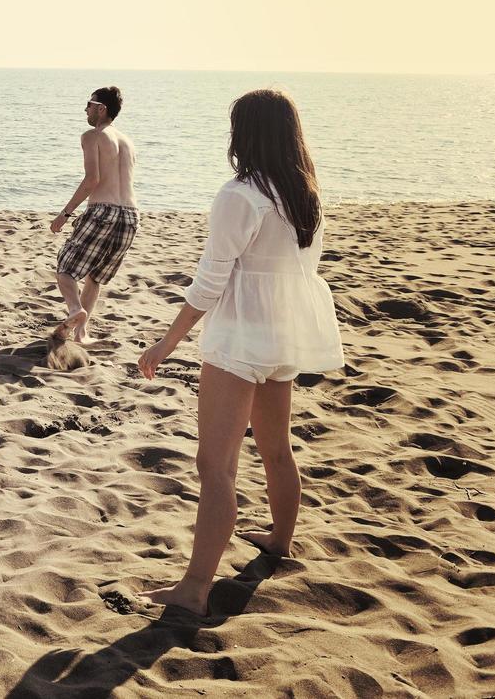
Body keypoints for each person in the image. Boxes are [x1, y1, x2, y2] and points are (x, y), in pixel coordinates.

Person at [136, 88, 343, 616]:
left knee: (217, 466)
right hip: (284, 337)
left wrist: (167, 341)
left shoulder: (240, 194)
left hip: (240, 340)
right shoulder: (305, 196)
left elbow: (209, 283)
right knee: (276, 448)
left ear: (243, 134)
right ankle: (279, 541)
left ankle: (195, 588)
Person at [50, 86, 138, 342]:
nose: (85, 109)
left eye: (89, 104)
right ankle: (81, 334)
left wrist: (65, 214)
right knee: (95, 276)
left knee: (65, 269)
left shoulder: (92, 136)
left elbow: (92, 179)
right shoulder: (128, 142)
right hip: (131, 217)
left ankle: (76, 311)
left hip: (103, 210)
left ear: (102, 109)